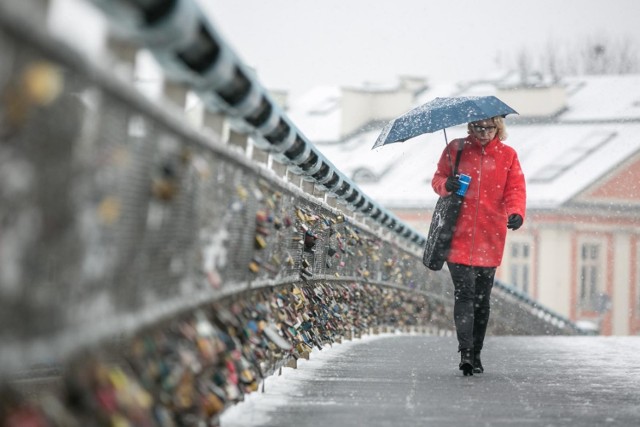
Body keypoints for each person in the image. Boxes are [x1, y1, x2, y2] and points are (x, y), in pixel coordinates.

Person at [431, 116, 526, 376]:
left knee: (482, 300)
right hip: (457, 234)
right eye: (478, 128)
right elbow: (438, 179)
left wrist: (516, 212)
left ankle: (477, 352)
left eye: (489, 128)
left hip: (490, 236)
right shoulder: (456, 149)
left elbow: (515, 189)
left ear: (499, 128)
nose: (483, 133)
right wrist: (446, 185)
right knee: (465, 294)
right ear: (470, 127)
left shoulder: (508, 155)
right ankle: (466, 353)